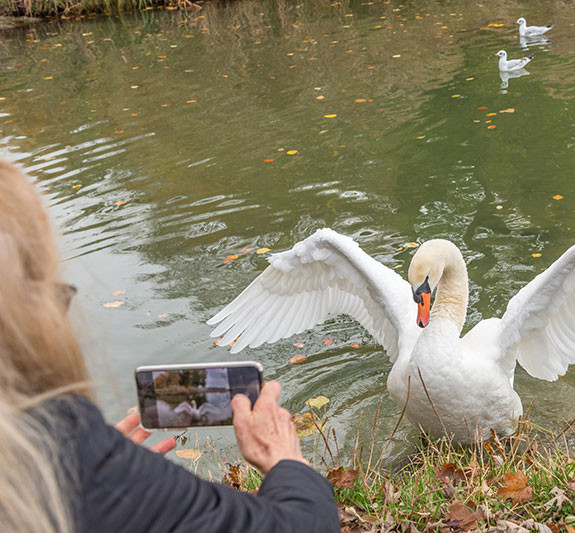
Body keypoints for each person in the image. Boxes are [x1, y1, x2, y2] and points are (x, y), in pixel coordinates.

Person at [0, 160, 340, 532]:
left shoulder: (54, 461)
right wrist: (286, 463)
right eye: (55, 296)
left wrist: (114, 473)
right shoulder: (63, 452)